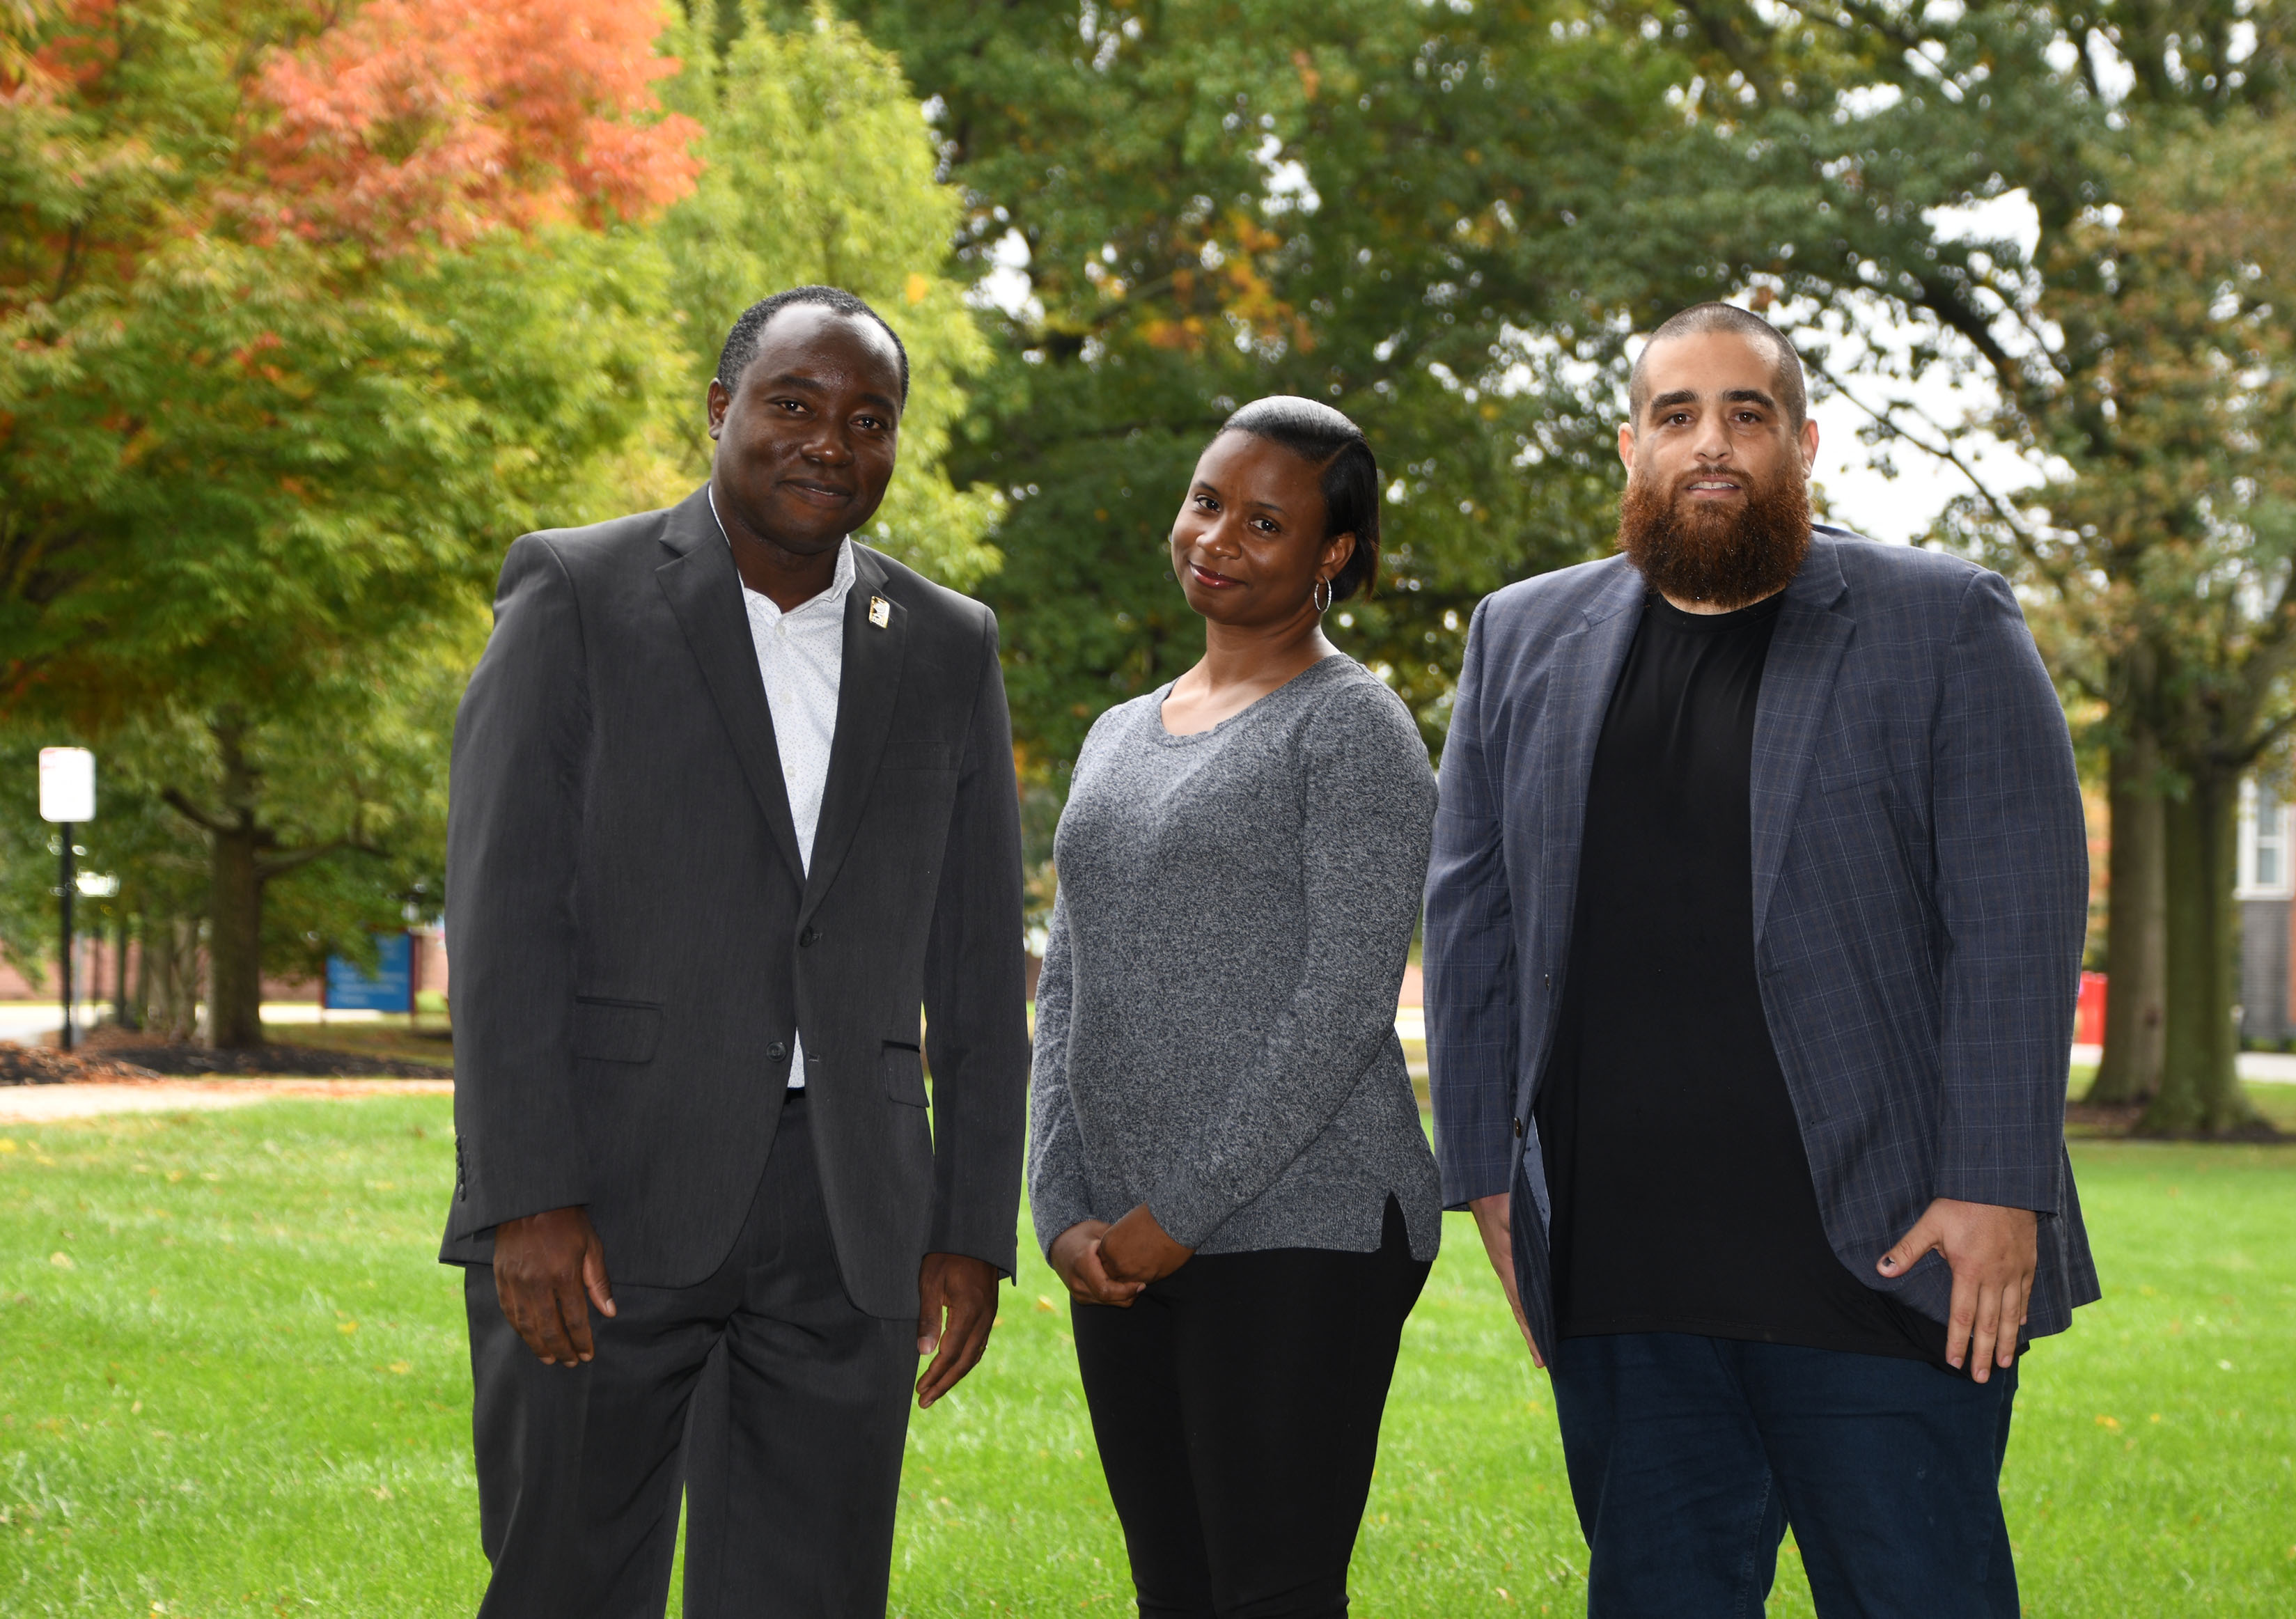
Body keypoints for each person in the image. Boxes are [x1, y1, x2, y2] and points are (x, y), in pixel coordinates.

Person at [1424, 304, 2098, 1618]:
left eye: (1748, 413)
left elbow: (2017, 914)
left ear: (1804, 445)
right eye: (1677, 415)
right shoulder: (1520, 636)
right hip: (1629, 1281)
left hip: (1893, 1265)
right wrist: (1488, 1179)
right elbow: (1472, 922)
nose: (1711, 442)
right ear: (1630, 448)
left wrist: (1999, 1184)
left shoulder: (1943, 621)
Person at [439, 284, 1029, 1618]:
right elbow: (504, 910)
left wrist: (968, 1225)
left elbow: (982, 960)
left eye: (868, 418)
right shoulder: (576, 591)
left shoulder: (947, 644)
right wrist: (522, 1191)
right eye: (796, 404)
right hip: (600, 1198)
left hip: (852, 1219)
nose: (833, 440)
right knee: (567, 1585)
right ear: (721, 412)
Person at [1028, 397, 1442, 1619]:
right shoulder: (1115, 734)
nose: (1219, 536)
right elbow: (1069, 989)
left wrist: (1182, 1213)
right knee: (1176, 1590)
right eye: (1209, 500)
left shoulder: (1355, 728)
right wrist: (1064, 1210)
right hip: (1124, 1246)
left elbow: (1343, 1009)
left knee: (1273, 1592)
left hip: (1305, 1233)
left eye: (1267, 522)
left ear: (1334, 558)